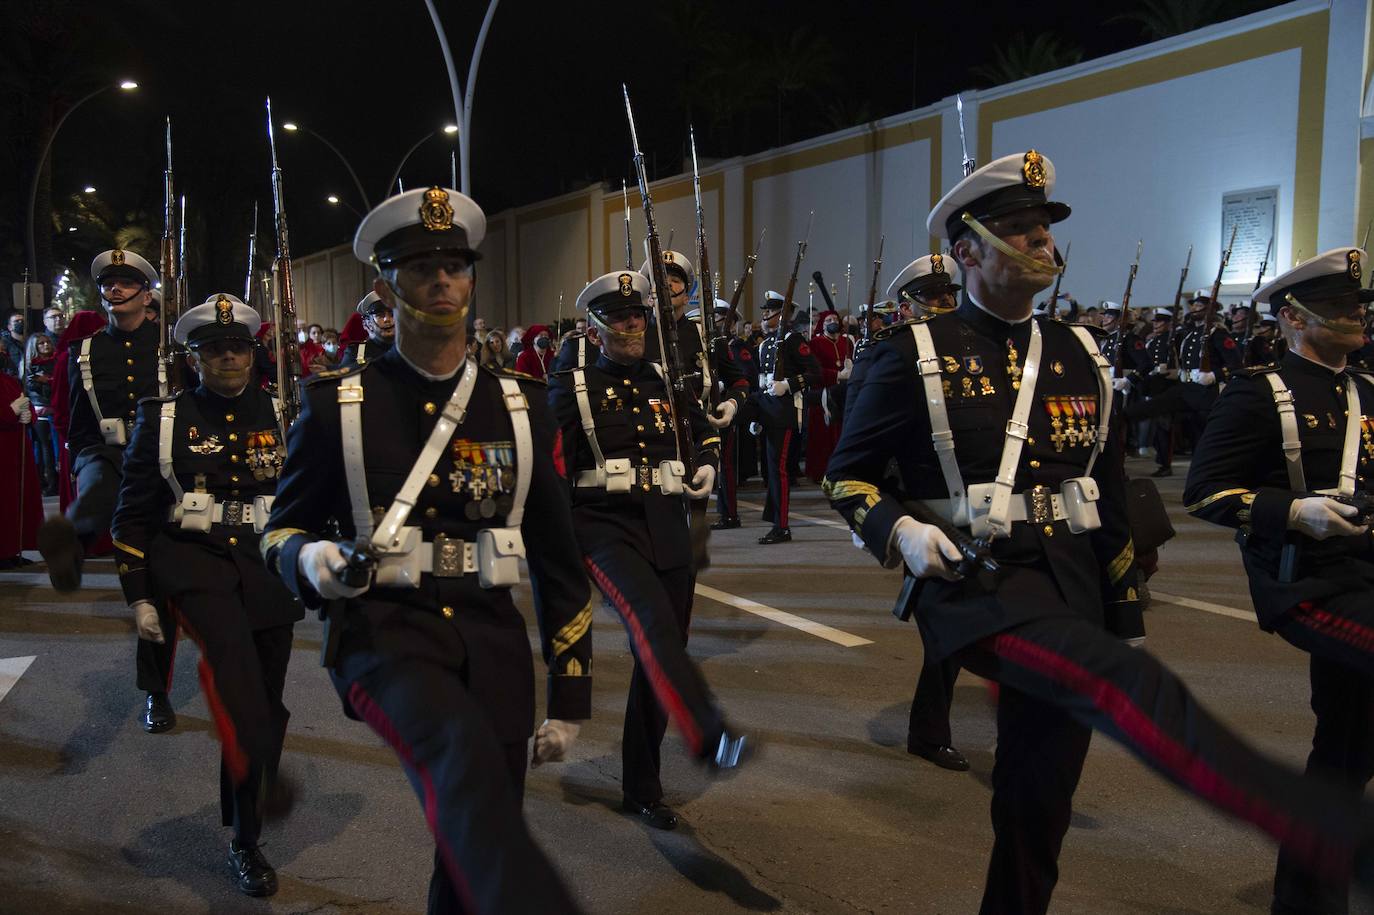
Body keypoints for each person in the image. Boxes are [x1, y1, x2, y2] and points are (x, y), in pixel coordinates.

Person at [826, 150, 1374, 914]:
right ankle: (1299, 809)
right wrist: (901, 532)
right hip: (978, 583)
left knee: (1037, 800)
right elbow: (845, 477)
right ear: (967, 249)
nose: (1043, 244)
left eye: (1046, 230)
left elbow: (1109, 497)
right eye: (1019, 229)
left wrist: (1124, 613)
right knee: (1128, 687)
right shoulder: (912, 354)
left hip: (1072, 585)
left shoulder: (1080, 353)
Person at [261, 186, 591, 913]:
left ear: (472, 279)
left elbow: (558, 559)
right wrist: (311, 560)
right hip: (384, 636)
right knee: (461, 760)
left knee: (472, 833)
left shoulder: (520, 404)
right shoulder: (334, 405)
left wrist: (570, 691)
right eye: (419, 268)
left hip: (493, 639)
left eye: (455, 265)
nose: (441, 281)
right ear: (389, 286)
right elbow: (279, 530)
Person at [1184, 248, 1374, 914]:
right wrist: (1295, 511)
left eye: (1358, 305)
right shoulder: (1262, 392)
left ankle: (1305, 895)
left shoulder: (1367, 390)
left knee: (1348, 746)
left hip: (1366, 576)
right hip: (1310, 584)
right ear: (1294, 318)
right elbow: (1204, 492)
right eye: (1341, 307)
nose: (1356, 315)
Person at [111, 294, 299, 896]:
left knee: (267, 706)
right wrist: (140, 595)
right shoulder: (162, 418)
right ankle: (248, 835)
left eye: (238, 346)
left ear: (254, 351)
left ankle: (245, 832)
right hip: (192, 564)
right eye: (213, 348)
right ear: (193, 357)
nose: (227, 358)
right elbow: (133, 517)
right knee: (240, 684)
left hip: (264, 568)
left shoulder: (283, 411)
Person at [549, 269, 748, 831]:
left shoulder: (667, 378)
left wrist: (708, 461)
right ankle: (709, 734)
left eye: (637, 315)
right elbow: (551, 471)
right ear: (593, 330)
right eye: (618, 317)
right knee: (654, 628)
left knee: (660, 652)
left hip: (666, 524)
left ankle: (642, 785)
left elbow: (702, 428)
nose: (632, 324)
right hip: (603, 527)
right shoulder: (572, 385)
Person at [37, 249, 178, 733]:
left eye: (125, 284)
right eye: (109, 284)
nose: (115, 290)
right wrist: (84, 456)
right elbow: (77, 424)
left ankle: (156, 692)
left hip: (164, 464)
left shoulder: (171, 347)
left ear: (146, 293)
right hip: (109, 454)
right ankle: (71, 542)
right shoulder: (84, 351)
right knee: (96, 483)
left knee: (155, 585)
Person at [742, 291, 820, 544]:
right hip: (768, 410)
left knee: (779, 470)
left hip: (784, 411)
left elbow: (814, 373)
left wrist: (788, 384)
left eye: (769, 312)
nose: (764, 317)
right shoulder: (766, 344)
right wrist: (757, 414)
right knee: (771, 470)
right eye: (763, 312)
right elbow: (762, 382)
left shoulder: (793, 340)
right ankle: (775, 519)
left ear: (783, 315)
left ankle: (782, 526)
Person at [806, 309, 853, 484]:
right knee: (822, 434)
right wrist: (837, 375)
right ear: (822, 324)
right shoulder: (815, 343)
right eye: (828, 320)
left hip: (843, 393)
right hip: (823, 394)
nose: (832, 322)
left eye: (835, 319)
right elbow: (814, 370)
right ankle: (821, 471)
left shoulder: (846, 341)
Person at [1, 371, 42, 567]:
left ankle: (13, 549)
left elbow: (24, 402)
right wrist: (11, 412)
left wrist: (29, 414)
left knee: (17, 500)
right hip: (3, 448)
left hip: (16, 446)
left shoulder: (8, 380)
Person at [24, 333, 59, 494]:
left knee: (57, 448)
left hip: (55, 409)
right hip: (41, 411)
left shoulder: (58, 361)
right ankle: (49, 483)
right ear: (34, 347)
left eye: (47, 342)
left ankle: (56, 482)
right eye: (41, 343)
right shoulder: (30, 366)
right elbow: (31, 388)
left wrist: (49, 381)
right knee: (45, 448)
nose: (45, 345)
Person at [341, 292, 395, 367]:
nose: (387, 319)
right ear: (368, 323)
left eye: (392, 314)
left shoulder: (408, 349)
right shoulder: (358, 352)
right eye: (380, 315)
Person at [2, 311, 26, 379]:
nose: (20, 323)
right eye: (16, 321)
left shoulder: (32, 342)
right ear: (10, 327)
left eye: (22, 321)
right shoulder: (5, 344)